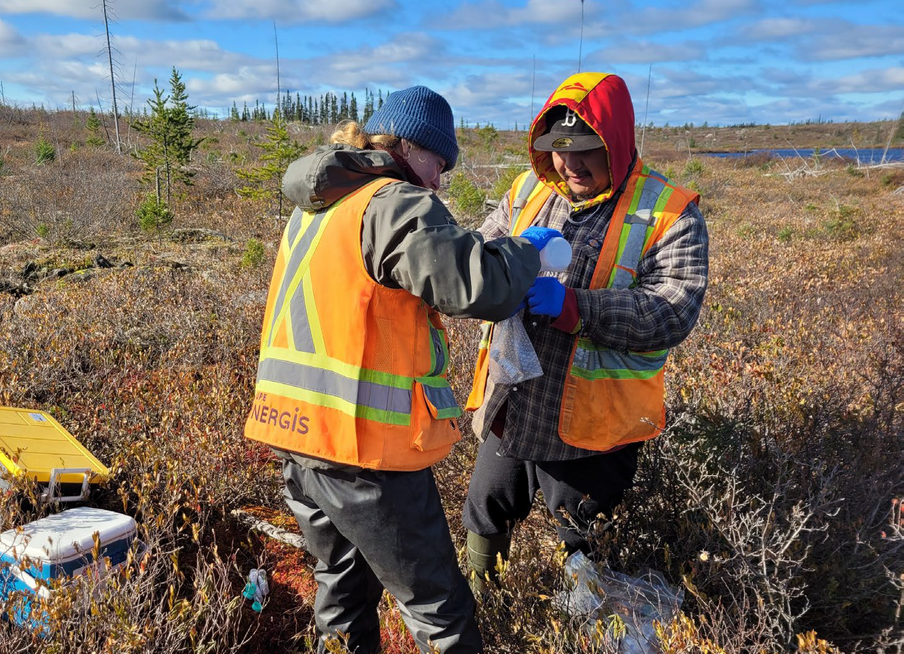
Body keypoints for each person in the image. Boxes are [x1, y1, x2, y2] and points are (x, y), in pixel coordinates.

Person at [244, 86, 553, 654]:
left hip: (295, 440)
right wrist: (525, 252)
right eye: (439, 163)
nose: (439, 181)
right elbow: (477, 287)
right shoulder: (392, 202)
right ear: (409, 146)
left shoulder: (320, 206)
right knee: (442, 612)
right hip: (364, 455)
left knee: (340, 593)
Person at [461, 72, 710, 587]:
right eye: (558, 148)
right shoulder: (529, 189)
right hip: (514, 402)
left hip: (594, 430)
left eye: (586, 150)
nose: (570, 164)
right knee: (484, 512)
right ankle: (485, 607)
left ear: (615, 143)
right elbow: (476, 260)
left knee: (584, 538)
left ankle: (585, 626)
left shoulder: (670, 212)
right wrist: (498, 260)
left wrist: (578, 308)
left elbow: (673, 310)